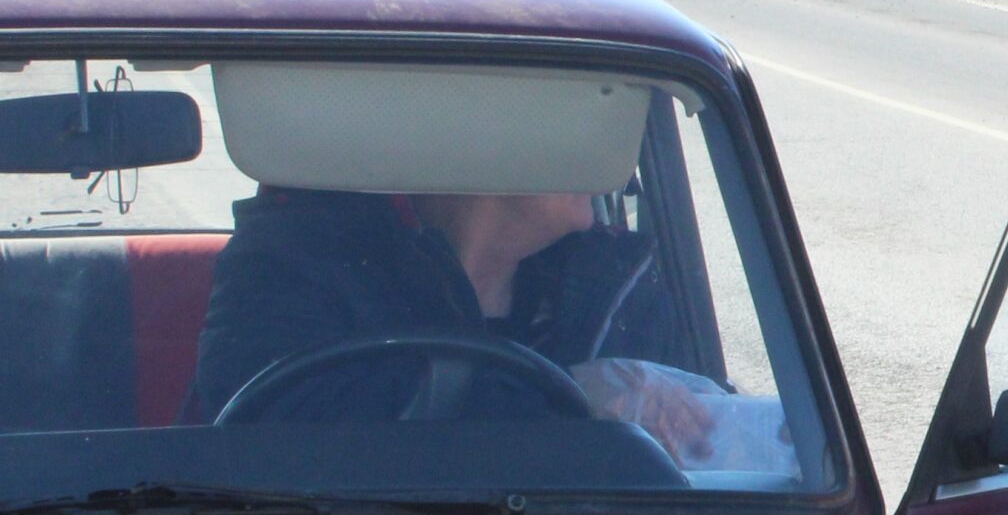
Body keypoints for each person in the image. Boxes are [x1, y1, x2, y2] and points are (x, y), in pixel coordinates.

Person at [185, 187, 715, 460]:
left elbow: (699, 462)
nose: (609, 158)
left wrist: (750, 434)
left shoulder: (619, 283)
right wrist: (569, 401)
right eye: (582, 120)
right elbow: (267, 443)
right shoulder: (295, 259)